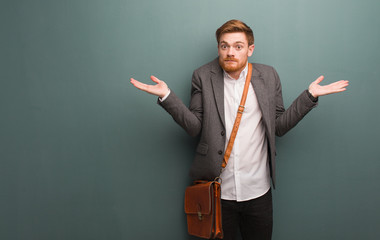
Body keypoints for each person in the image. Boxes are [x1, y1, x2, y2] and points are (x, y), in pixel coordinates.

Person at [130, 19, 348, 240]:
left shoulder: (268, 76)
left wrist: (309, 97)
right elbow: (194, 127)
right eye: (224, 46)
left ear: (250, 49)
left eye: (238, 46)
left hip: (258, 192)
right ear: (218, 48)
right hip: (218, 193)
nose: (230, 52)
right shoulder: (202, 76)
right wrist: (166, 96)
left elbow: (279, 126)